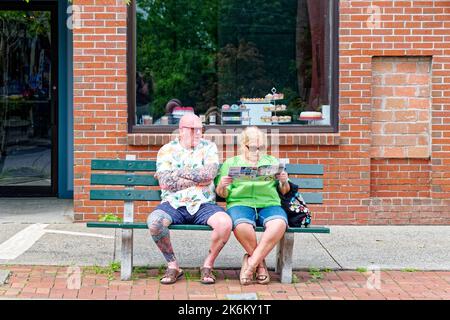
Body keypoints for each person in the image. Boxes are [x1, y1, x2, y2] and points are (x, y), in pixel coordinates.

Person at [147, 114, 232, 285]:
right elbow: (165, 183)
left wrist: (177, 173)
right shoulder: (166, 150)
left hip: (204, 203)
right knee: (155, 223)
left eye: (201, 129)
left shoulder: (209, 147)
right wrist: (197, 178)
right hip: (173, 203)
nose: (199, 133)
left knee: (225, 223)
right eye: (194, 129)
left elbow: (208, 175)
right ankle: (173, 266)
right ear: (181, 131)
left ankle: (208, 265)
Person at [215, 126, 290, 285]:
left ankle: (250, 265)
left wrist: (284, 181)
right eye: (253, 147)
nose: (257, 152)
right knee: (242, 226)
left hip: (269, 202)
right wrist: (221, 185)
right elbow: (223, 194)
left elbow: (284, 191)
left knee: (279, 223)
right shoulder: (231, 163)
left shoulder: (272, 162)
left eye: (261, 148)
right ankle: (261, 266)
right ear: (244, 146)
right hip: (240, 203)